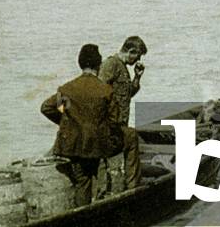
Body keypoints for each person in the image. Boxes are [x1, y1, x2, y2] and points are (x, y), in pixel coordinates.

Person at [40, 44, 123, 206]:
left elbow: (47, 108)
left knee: (82, 181)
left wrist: (66, 121)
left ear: (80, 64)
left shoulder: (67, 90)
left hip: (72, 145)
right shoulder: (105, 91)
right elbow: (114, 121)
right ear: (98, 65)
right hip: (97, 146)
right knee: (92, 179)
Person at [99, 36, 147, 190]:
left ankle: (127, 184)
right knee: (132, 138)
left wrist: (137, 77)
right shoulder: (111, 64)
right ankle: (134, 186)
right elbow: (99, 92)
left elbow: (126, 95)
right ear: (131, 51)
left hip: (119, 124)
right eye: (137, 56)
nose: (138, 60)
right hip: (111, 125)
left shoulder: (122, 68)